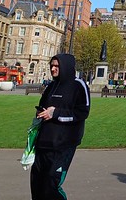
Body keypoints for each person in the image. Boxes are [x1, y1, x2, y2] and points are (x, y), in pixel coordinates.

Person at [31, 53, 90, 200]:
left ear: (66, 67)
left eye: (57, 66)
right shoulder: (51, 85)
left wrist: (55, 113)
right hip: (44, 141)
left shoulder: (78, 85)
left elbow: (82, 112)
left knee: (51, 184)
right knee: (37, 183)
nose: (53, 69)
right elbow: (44, 105)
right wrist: (41, 112)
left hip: (64, 143)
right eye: (52, 65)